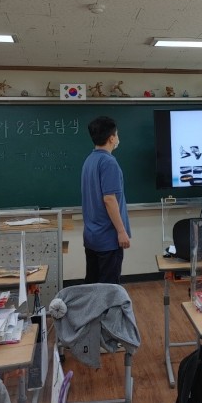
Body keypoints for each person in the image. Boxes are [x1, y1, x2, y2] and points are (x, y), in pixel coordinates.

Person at [81, 116, 131, 284]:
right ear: (111, 138)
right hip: (108, 239)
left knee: (93, 286)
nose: (117, 138)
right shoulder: (108, 162)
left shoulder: (89, 160)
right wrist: (121, 231)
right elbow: (109, 199)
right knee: (109, 289)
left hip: (92, 237)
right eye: (116, 134)